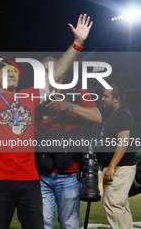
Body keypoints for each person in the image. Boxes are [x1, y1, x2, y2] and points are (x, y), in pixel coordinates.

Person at [0, 0, 93, 229]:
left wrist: (77, 44)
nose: (10, 72)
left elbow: (57, 76)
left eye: (12, 69)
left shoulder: (29, 96)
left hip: (30, 180)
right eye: (3, 70)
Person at [35, 57, 102, 229]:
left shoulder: (77, 92)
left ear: (62, 71)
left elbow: (97, 117)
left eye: (48, 70)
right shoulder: (35, 96)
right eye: (42, 71)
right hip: (41, 172)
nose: (44, 74)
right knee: (43, 224)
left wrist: (68, 106)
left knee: (69, 224)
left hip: (69, 173)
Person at [98, 83, 136, 229]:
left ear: (116, 99)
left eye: (106, 96)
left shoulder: (121, 114)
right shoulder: (115, 113)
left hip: (120, 167)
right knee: (119, 205)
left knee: (112, 202)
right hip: (120, 167)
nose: (102, 98)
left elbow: (123, 141)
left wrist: (112, 166)